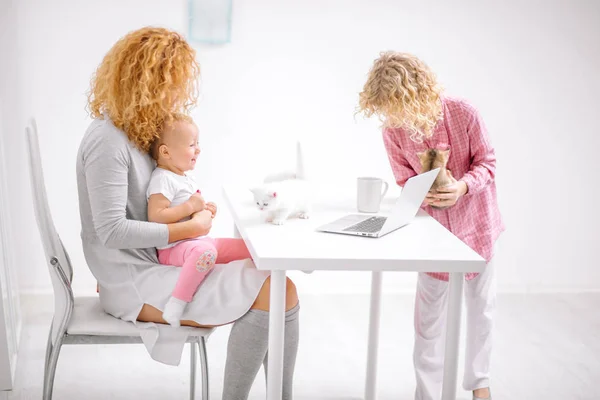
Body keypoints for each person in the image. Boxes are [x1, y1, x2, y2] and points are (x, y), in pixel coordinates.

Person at [76, 26, 299, 399]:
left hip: (153, 264)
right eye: (174, 84)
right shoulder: (107, 140)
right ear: (149, 82)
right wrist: (190, 227)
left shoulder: (137, 133)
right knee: (273, 289)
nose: (180, 95)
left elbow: (151, 206)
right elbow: (111, 231)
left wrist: (190, 219)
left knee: (281, 284)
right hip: (133, 281)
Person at [358, 51, 504, 400]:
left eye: (398, 103)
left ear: (416, 90)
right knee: (428, 322)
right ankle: (426, 392)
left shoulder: (463, 112)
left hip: (477, 226)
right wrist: (425, 195)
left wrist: (462, 186)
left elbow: (487, 162)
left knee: (481, 310)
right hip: (433, 236)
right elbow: (402, 177)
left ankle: (479, 384)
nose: (395, 115)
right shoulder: (393, 130)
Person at [146, 114, 253, 326]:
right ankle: (176, 303)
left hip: (195, 240)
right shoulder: (162, 179)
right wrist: (191, 206)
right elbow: (156, 216)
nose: (198, 149)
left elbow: (190, 210)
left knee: (248, 248)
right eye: (192, 144)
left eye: (198, 144)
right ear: (166, 152)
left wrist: (204, 209)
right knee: (206, 253)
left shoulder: (183, 177)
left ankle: (286, 263)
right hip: (173, 248)